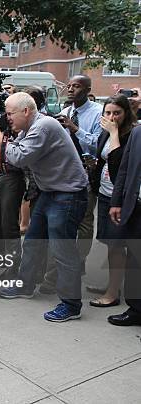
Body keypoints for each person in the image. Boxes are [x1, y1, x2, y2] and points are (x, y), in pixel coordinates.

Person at [0, 92, 88, 322]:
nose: (7, 117)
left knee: (62, 250)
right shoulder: (28, 129)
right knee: (32, 241)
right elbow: (9, 154)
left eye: (10, 113)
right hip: (51, 192)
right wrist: (0, 135)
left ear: (26, 111)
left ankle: (71, 305)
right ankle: (25, 286)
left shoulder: (43, 127)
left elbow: (18, 158)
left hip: (68, 194)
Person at [42, 75, 103, 293]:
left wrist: (75, 128)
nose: (70, 89)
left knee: (84, 224)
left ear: (87, 89)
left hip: (87, 174)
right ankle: (64, 268)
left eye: (76, 86)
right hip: (63, 174)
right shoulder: (65, 112)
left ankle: (77, 262)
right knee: (61, 224)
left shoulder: (97, 112)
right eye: (69, 85)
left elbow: (99, 143)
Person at [89, 95, 136, 307]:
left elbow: (119, 164)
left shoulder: (130, 135)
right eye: (107, 112)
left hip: (123, 197)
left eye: (117, 112)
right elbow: (102, 159)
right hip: (106, 194)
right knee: (110, 243)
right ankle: (113, 284)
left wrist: (114, 132)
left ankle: (113, 293)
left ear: (126, 113)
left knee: (117, 246)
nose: (111, 117)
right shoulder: (104, 133)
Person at [107, 125, 141, 326]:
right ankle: (137, 309)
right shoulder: (137, 133)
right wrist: (116, 202)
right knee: (136, 259)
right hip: (136, 207)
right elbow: (125, 169)